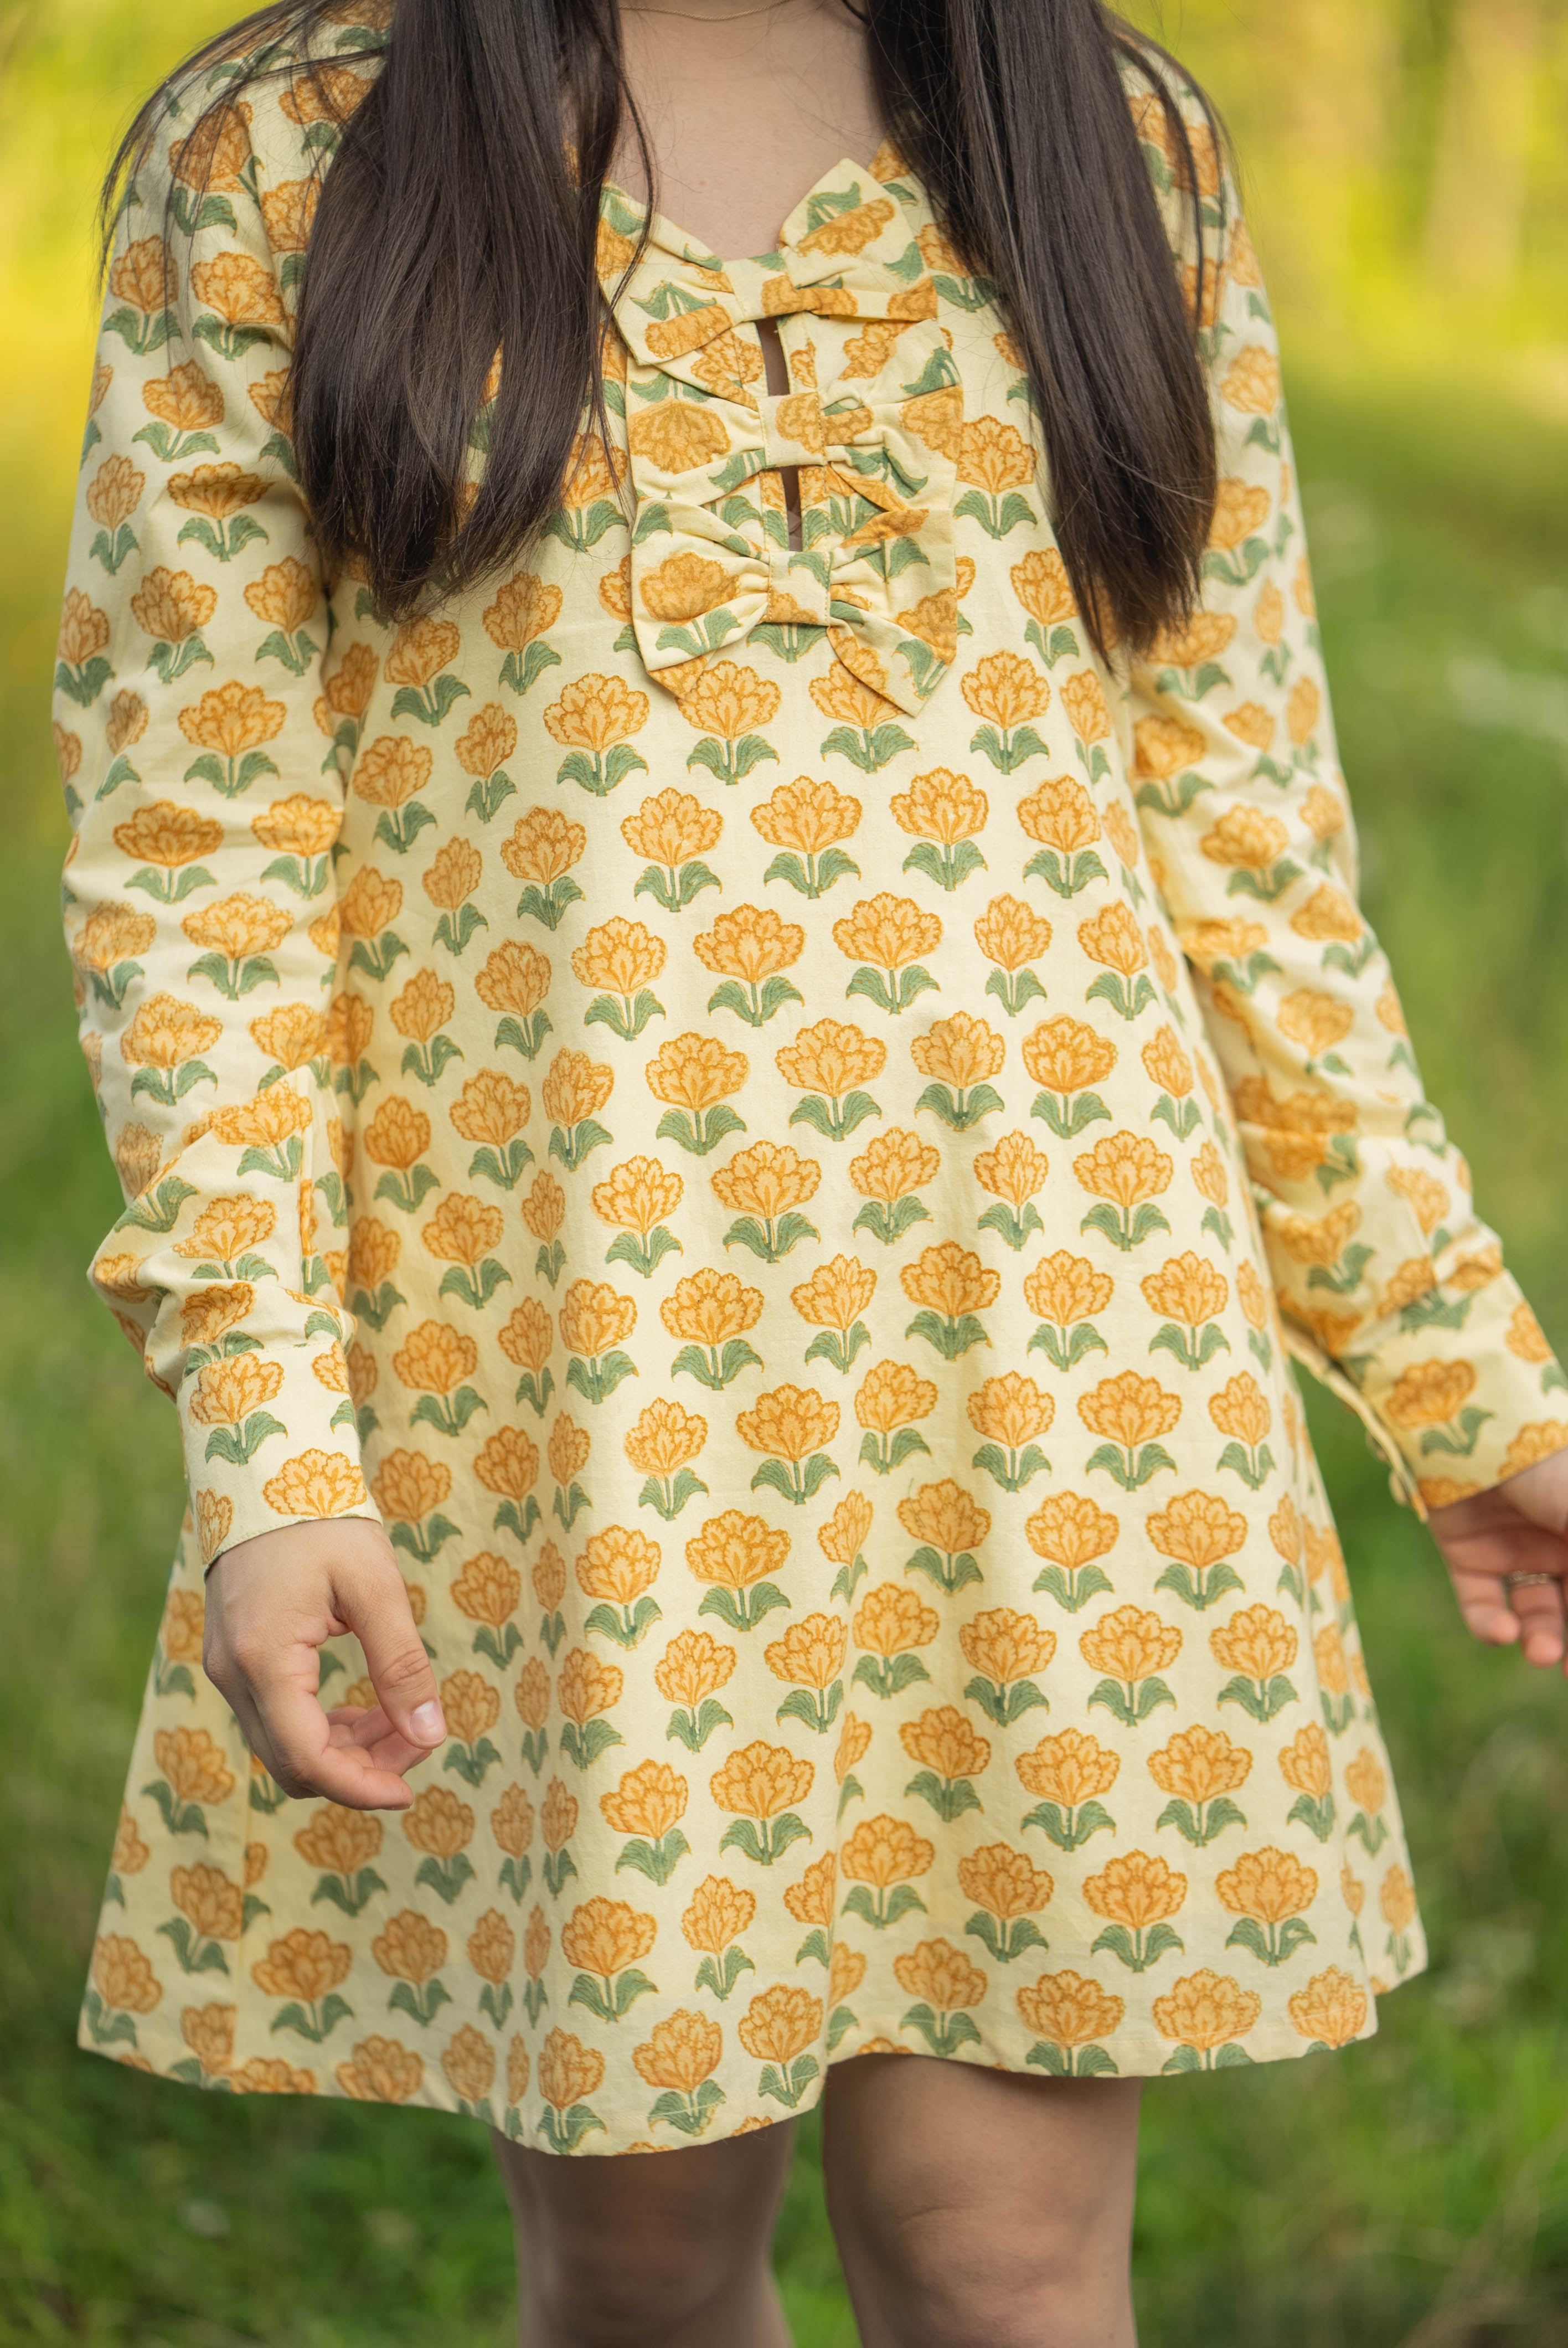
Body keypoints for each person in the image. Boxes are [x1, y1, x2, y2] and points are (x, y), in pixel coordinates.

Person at [55, 0, 1568, 2339]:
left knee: (1003, 2262)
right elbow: (200, 863)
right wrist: (273, 1435)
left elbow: (1250, 860)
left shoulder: (1111, 148)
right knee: (643, 2269)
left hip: (1057, 1381)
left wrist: (1467, 1385)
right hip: (584, 1391)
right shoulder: (290, 153)